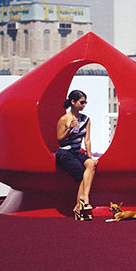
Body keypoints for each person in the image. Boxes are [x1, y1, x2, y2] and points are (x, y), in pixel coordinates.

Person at [55, 90, 96, 220]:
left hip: (77, 152)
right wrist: (69, 129)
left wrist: (89, 156)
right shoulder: (64, 119)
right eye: (81, 102)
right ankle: (79, 206)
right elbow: (60, 140)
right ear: (73, 102)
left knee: (91, 164)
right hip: (65, 152)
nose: (84, 105)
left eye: (85, 102)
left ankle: (84, 198)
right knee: (82, 173)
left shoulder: (85, 119)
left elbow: (87, 139)